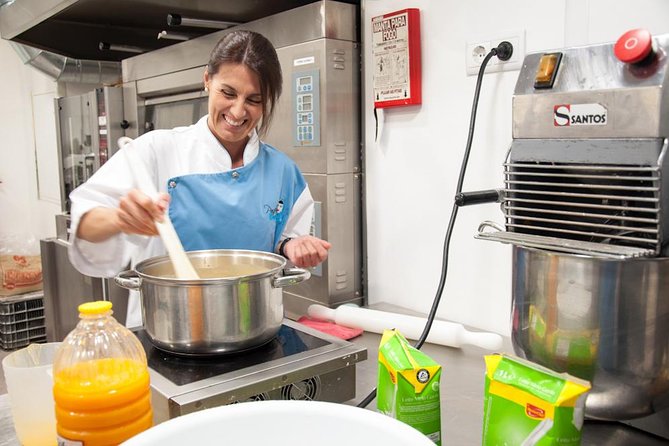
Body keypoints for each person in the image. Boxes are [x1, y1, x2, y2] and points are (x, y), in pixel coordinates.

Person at [68, 30, 331, 327]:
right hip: (167, 327)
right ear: (207, 80)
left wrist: (291, 247)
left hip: (253, 325)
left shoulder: (283, 171)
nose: (237, 111)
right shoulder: (157, 150)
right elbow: (84, 222)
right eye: (228, 93)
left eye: (254, 100)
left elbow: (284, 242)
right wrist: (119, 219)